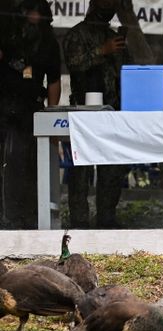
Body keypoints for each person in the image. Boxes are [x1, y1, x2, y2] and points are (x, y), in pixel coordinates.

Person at [63, 0, 152, 228]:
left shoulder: (113, 36)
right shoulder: (77, 34)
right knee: (81, 171)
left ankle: (106, 218)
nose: (107, 9)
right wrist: (103, 50)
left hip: (112, 111)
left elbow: (134, 67)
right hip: (84, 111)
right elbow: (74, 63)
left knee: (112, 169)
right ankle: (79, 221)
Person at [0, 0, 60, 229]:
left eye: (38, 14)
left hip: (31, 110)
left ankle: (27, 219)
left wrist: (53, 119)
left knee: (29, 167)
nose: (34, 18)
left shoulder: (48, 42)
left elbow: (54, 82)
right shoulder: (8, 30)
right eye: (30, 13)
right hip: (4, 107)